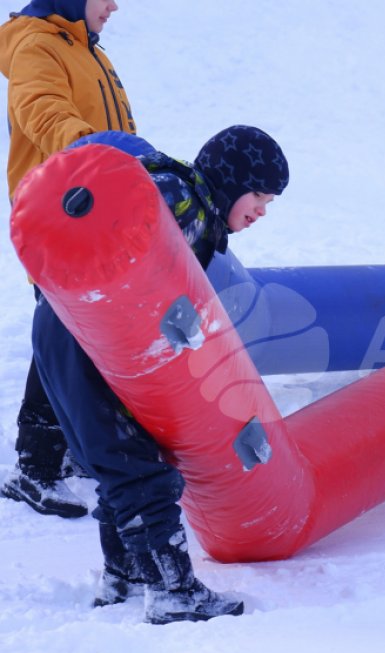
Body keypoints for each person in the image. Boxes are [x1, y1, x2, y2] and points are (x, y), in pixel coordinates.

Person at [30, 125, 289, 623]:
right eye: (258, 194)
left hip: (82, 332)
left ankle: (124, 573)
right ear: (231, 178)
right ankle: (173, 590)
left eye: (269, 202)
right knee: (133, 463)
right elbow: (109, 215)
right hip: (84, 333)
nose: (261, 210)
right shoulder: (178, 194)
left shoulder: (198, 211)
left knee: (120, 459)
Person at [0, 0, 134, 519]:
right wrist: (98, 149)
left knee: (89, 332)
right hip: (56, 215)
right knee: (65, 333)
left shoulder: (87, 51)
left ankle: (77, 446)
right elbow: (43, 111)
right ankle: (35, 466)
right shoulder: (37, 44)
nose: (114, 5)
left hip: (92, 209)